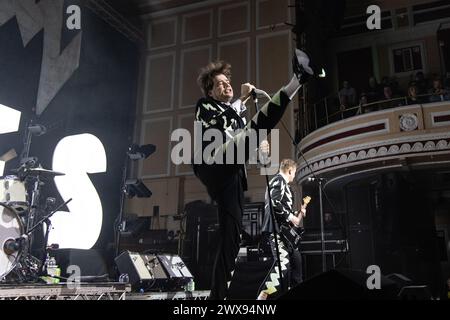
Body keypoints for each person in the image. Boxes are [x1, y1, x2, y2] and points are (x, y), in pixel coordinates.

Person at [193, 50, 313, 300]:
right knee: (255, 127)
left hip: (232, 174)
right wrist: (245, 100)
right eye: (220, 84)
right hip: (212, 162)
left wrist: (259, 151)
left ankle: (217, 298)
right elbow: (217, 125)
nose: (226, 85)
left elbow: (243, 144)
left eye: (227, 82)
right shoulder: (205, 106)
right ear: (211, 91)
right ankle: (296, 80)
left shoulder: (237, 116)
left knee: (233, 237)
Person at [258, 159, 306, 299]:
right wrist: (292, 217)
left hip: (284, 233)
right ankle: (263, 297)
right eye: (294, 173)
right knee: (283, 263)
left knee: (296, 262)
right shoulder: (279, 181)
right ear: (290, 170)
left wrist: (297, 214)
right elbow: (274, 203)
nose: (294, 176)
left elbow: (282, 208)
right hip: (277, 231)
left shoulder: (281, 183)